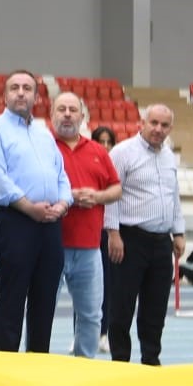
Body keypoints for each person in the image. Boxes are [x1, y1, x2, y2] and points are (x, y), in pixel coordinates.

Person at [0, 69, 71, 353]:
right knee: (12, 295)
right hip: (15, 220)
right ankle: (6, 362)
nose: (21, 93)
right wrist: (29, 208)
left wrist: (64, 203)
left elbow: (62, 176)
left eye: (27, 88)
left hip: (50, 224)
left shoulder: (44, 134)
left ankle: (38, 358)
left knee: (46, 296)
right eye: (15, 88)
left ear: (36, 96)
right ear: (5, 95)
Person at [105, 104, 185, 366]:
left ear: (170, 129)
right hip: (129, 239)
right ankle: (120, 361)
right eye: (154, 123)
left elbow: (174, 197)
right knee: (122, 304)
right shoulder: (122, 153)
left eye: (164, 125)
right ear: (142, 123)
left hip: (162, 242)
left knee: (156, 307)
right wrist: (113, 232)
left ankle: (151, 360)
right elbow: (111, 195)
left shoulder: (169, 157)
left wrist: (179, 232)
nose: (158, 129)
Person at [51, 92, 121, 359]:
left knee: (91, 314)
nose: (67, 114)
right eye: (61, 109)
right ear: (52, 114)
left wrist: (98, 197)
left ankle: (85, 364)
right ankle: (35, 364)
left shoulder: (98, 151)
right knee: (42, 310)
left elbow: (116, 188)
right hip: (51, 247)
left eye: (72, 109)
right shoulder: (44, 147)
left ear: (82, 116)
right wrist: (67, 196)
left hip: (90, 249)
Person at [90, 125, 118, 352]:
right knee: (85, 288)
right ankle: (82, 333)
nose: (105, 146)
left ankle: (104, 333)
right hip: (89, 232)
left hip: (109, 233)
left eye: (109, 142)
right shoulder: (89, 165)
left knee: (108, 286)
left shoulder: (116, 168)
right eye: (102, 141)